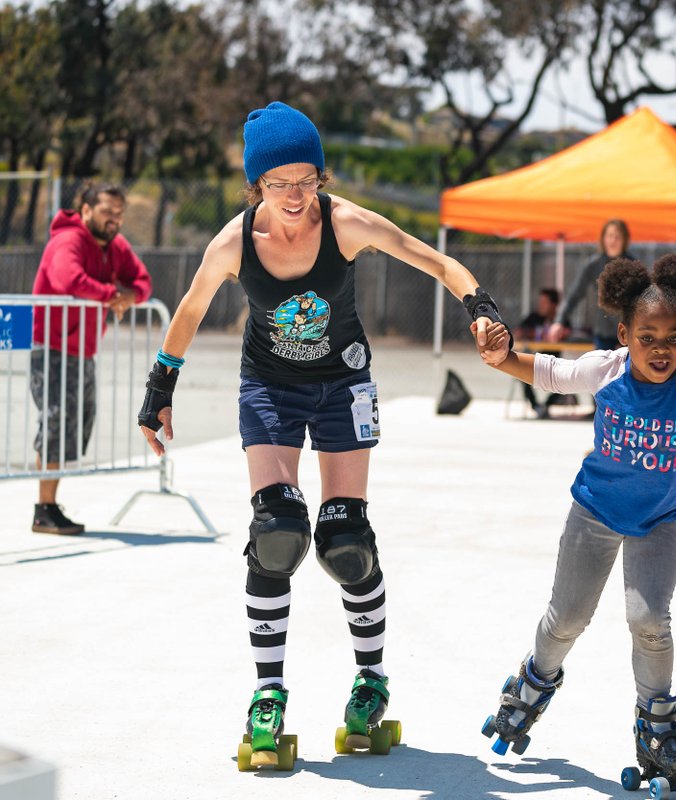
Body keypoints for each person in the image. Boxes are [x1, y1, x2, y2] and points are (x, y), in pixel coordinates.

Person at [136, 101, 510, 770]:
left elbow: (432, 259)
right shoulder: (234, 241)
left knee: (345, 540)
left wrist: (480, 310)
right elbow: (189, 310)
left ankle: (370, 680)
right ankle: (268, 695)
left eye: (306, 179)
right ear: (257, 186)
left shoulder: (347, 223)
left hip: (344, 387)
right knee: (277, 533)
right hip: (270, 391)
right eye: (278, 183)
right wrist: (158, 392)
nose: (294, 196)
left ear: (321, 178)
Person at [472, 254, 676, 791]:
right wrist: (505, 360)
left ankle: (656, 723)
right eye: (647, 337)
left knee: (650, 621)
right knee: (567, 616)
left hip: (660, 520)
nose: (661, 349)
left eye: (673, 337)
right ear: (624, 334)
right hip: (594, 509)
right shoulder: (607, 368)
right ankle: (532, 682)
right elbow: (552, 373)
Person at [30, 182, 152, 535]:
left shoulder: (116, 247)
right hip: (52, 347)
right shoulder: (67, 241)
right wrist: (114, 294)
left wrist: (128, 297)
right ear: (85, 210)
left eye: (119, 213)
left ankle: (50, 506)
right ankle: (44, 509)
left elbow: (142, 281)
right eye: (106, 212)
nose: (114, 220)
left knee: (77, 422)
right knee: (56, 422)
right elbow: (70, 279)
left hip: (83, 351)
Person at [546, 218, 632, 349]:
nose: (613, 241)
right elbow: (574, 295)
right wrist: (559, 321)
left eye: (617, 237)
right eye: (609, 236)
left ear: (624, 240)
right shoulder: (593, 265)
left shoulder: (633, 264)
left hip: (629, 332)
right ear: (603, 238)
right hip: (603, 333)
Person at [514, 287, 568, 418]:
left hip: (555, 360)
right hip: (534, 357)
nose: (541, 305)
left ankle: (546, 405)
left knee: (566, 377)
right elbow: (519, 331)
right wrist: (536, 333)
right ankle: (536, 406)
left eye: (545, 302)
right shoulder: (534, 317)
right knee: (521, 374)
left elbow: (568, 332)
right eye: (540, 302)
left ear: (554, 304)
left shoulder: (560, 320)